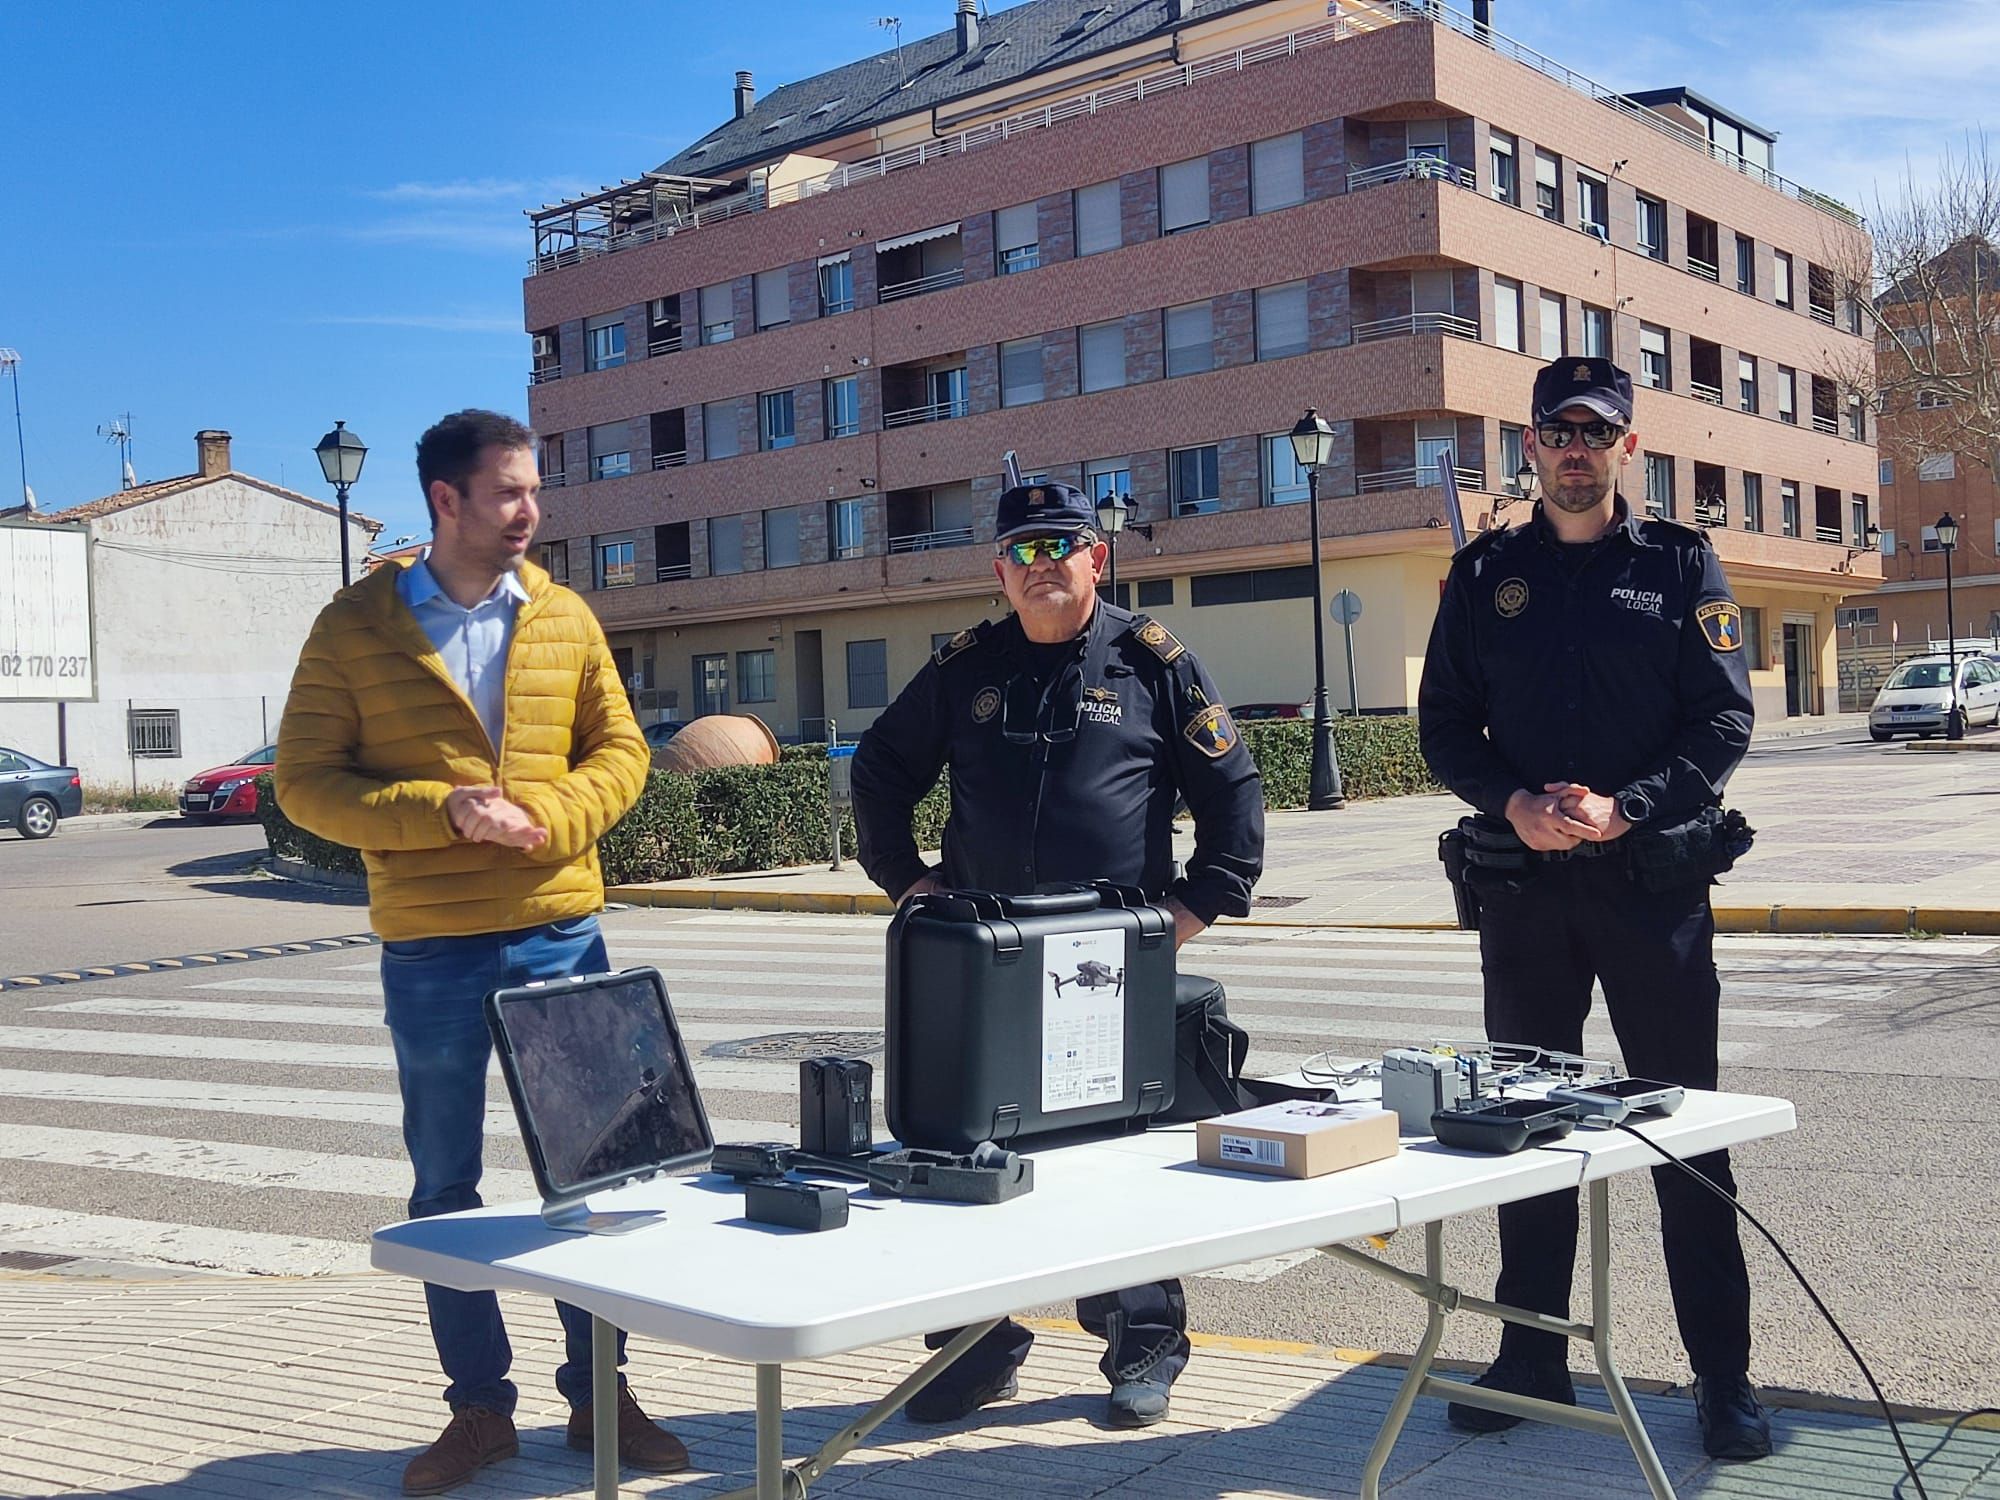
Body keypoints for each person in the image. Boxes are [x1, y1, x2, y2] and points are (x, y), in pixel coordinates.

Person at [276, 410, 685, 1495]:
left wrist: (550, 817)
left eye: (534, 492)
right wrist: (441, 811)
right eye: (508, 493)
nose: (530, 513)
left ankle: (602, 1393)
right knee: (444, 1189)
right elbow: (305, 783)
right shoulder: (354, 626)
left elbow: (624, 750)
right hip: (433, 945)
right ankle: (478, 1410)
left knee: (592, 1176)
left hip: (561, 928)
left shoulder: (562, 615)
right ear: (445, 500)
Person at [851, 480, 1265, 1429]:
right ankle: (973, 1344)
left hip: (1106, 964)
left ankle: (1143, 1342)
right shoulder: (965, 667)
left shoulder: (1154, 662)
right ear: (1000, 570)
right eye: (1023, 552)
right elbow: (879, 770)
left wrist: (1185, 917)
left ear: (1097, 557)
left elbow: (1233, 795)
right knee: (963, 1154)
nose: (1042, 567)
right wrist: (905, 882)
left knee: (1116, 1163)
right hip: (985, 963)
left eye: (1060, 547)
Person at [1417, 357, 1770, 1460]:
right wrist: (1509, 802)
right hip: (1523, 899)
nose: (1574, 449)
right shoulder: (1481, 576)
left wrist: (1629, 808)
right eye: (1554, 432)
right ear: (1528, 446)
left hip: (1648, 897)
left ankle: (1720, 1379)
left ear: (1627, 444)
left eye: (1594, 431)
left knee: (1683, 1144)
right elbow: (1442, 729)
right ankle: (1532, 1354)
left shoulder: (1676, 565)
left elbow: (1720, 723)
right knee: (1526, 1136)